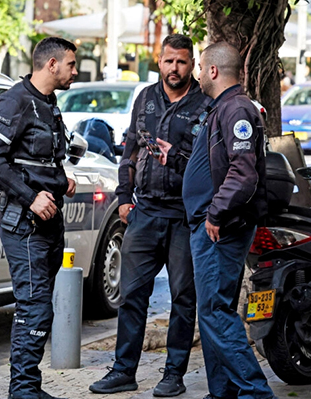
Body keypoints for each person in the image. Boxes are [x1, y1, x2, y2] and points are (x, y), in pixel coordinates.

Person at [88, 34, 209, 397]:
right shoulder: (144, 98)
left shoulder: (205, 104)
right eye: (169, 61)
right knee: (131, 296)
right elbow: (130, 149)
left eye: (182, 62)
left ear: (192, 65)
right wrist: (124, 198)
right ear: (159, 60)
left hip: (185, 217)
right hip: (145, 213)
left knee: (183, 299)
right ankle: (123, 370)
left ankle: (174, 375)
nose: (175, 68)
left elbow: (209, 168)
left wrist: (176, 158)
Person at [156, 42, 277, 399]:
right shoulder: (222, 108)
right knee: (211, 313)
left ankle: (255, 392)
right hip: (208, 226)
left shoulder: (236, 109)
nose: (195, 75)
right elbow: (214, 165)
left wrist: (216, 212)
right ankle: (221, 391)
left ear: (211, 71)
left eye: (199, 68)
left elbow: (243, 173)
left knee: (214, 311)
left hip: (220, 228)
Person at [0, 37, 78, 399]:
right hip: (24, 222)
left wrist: (60, 177)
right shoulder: (14, 101)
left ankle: (28, 387)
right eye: (70, 64)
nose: (75, 71)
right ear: (51, 65)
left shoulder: (49, 104)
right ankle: (21, 391)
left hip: (50, 219)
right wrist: (32, 197)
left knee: (41, 306)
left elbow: (38, 157)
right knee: (33, 306)